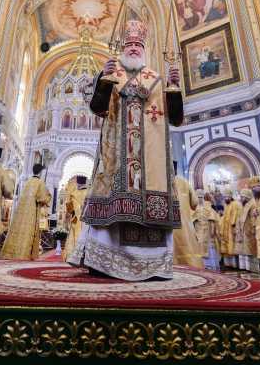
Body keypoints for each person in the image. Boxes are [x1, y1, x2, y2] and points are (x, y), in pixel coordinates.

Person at [68, 20, 184, 281]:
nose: (133, 48)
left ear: (144, 50)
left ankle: (153, 266)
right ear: (122, 48)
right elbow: (97, 108)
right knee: (111, 195)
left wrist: (174, 88)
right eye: (129, 44)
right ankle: (103, 263)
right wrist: (104, 80)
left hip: (151, 161)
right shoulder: (111, 73)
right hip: (115, 157)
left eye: (137, 45)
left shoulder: (156, 80)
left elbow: (175, 119)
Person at [2, 164, 52, 260]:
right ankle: (24, 254)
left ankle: (13, 252)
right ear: (41, 172)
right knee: (29, 231)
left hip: (22, 212)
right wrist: (48, 196)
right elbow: (42, 198)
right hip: (32, 212)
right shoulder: (40, 182)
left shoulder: (28, 182)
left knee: (20, 230)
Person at [172, 162, 203, 268]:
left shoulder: (164, 181)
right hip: (185, 222)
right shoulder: (184, 182)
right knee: (188, 244)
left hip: (171, 220)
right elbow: (195, 203)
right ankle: (192, 266)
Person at [194, 191, 222, 270]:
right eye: (198, 197)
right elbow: (192, 219)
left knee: (209, 249)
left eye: (200, 197)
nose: (199, 199)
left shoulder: (208, 207)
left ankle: (211, 265)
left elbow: (213, 219)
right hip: (199, 231)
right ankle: (203, 265)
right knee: (200, 247)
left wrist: (212, 229)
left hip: (208, 231)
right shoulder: (195, 208)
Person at [62, 175, 88, 262]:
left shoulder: (73, 193)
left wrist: (71, 211)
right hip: (87, 220)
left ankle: (73, 256)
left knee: (75, 236)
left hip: (76, 219)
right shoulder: (89, 192)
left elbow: (69, 208)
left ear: (77, 182)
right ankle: (85, 258)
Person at [233, 188, 257, 272]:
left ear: (247, 197)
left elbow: (253, 218)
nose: (241, 198)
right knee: (245, 251)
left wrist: (253, 229)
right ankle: (247, 268)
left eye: (242, 197)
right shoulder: (243, 205)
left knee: (251, 250)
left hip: (249, 231)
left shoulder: (252, 204)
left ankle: (253, 268)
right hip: (243, 231)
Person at [220, 189, 242, 269]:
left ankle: (236, 265)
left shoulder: (235, 204)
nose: (226, 198)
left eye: (227, 196)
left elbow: (237, 216)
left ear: (231, 196)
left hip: (232, 228)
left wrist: (234, 225)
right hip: (226, 228)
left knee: (233, 246)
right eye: (225, 197)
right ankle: (230, 264)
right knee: (228, 246)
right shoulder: (226, 205)